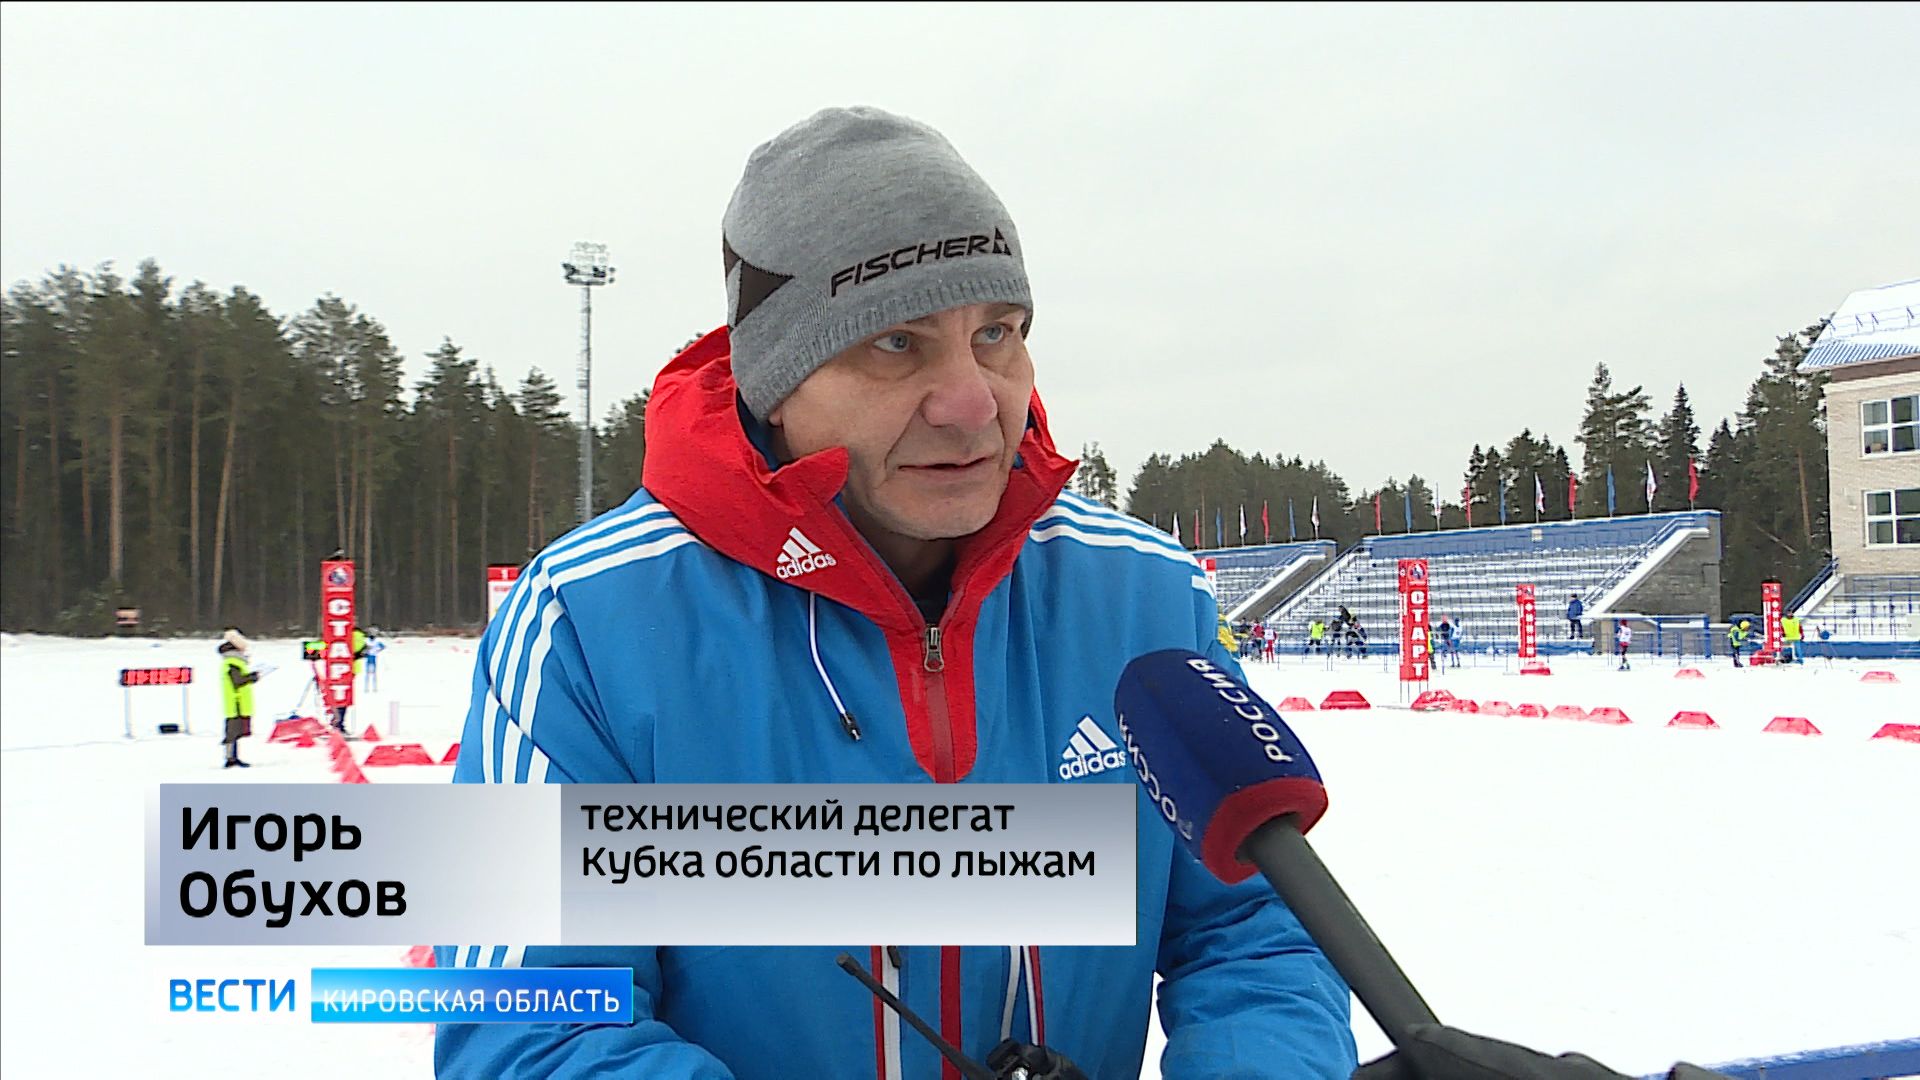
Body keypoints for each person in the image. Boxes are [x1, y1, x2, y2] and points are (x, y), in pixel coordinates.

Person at [435, 107, 1354, 1080]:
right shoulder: (590, 624)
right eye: (896, 344)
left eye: (995, 333)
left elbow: (1258, 936)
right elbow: (532, 1029)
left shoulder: (1144, 598)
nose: (972, 400)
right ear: (776, 382)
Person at [218, 629, 260, 768]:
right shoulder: (233, 663)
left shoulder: (232, 662)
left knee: (235, 731)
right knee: (233, 732)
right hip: (236, 702)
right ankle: (230, 758)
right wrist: (252, 677)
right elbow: (238, 681)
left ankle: (232, 757)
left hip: (237, 702)